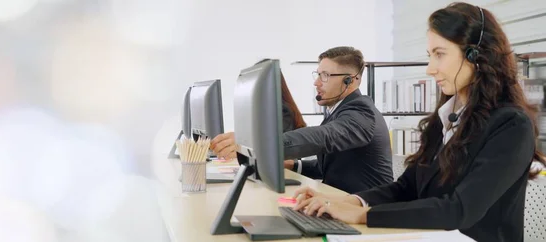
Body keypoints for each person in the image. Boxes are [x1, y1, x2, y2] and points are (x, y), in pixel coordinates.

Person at [291, 3, 546, 242]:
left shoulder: (511, 125)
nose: (430, 68)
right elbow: (407, 187)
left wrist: (363, 216)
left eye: (440, 55)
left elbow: (459, 210)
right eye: (429, 55)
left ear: (475, 55)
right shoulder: (446, 118)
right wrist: (352, 203)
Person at [211, 48, 393, 194]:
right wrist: (294, 164)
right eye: (318, 74)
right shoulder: (338, 111)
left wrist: (258, 145)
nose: (317, 83)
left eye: (326, 76)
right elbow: (335, 166)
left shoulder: (362, 113)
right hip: (339, 205)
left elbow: (323, 137)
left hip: (365, 215)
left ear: (351, 81)